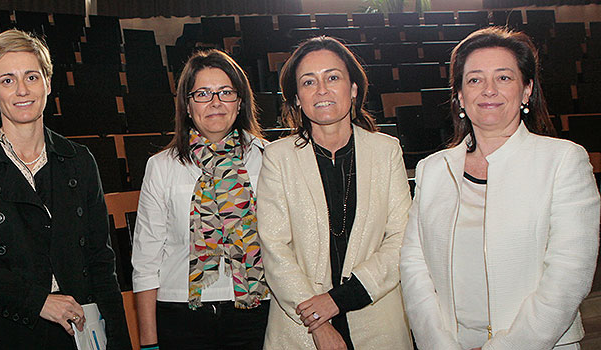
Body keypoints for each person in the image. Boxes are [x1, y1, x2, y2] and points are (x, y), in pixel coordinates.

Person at [400, 26, 601, 350]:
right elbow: (414, 266)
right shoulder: (433, 170)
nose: (489, 90)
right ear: (460, 96)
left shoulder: (563, 161)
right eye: (475, 79)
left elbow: (568, 274)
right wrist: (439, 344)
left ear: (526, 91)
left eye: (504, 78)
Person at [0, 28, 129, 349]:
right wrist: (38, 299)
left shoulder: (79, 160)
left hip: (78, 331)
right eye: (7, 80)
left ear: (48, 83)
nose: (22, 90)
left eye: (32, 77)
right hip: (9, 331)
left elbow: (101, 263)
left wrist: (119, 343)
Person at [256, 36, 413, 349]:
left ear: (353, 90)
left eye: (333, 77)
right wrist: (318, 320)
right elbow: (274, 248)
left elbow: (401, 239)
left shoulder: (387, 151)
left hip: (376, 316)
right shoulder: (277, 157)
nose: (322, 90)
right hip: (300, 325)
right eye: (309, 82)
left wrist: (337, 300)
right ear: (297, 98)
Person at [131, 49, 270, 350]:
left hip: (256, 313)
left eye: (225, 92)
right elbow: (146, 260)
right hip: (180, 314)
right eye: (203, 93)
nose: (216, 102)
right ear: (188, 105)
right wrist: (148, 342)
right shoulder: (161, 166)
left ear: (240, 101)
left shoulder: (269, 158)